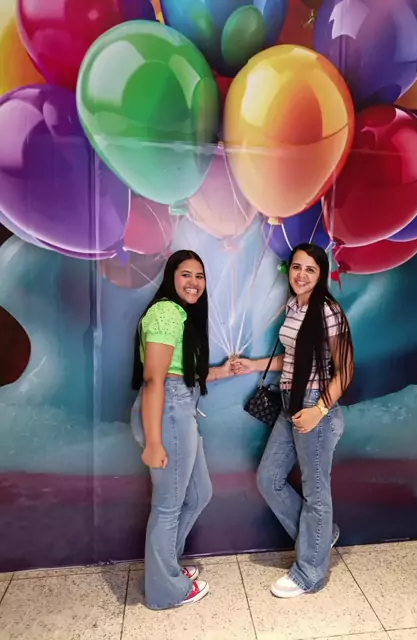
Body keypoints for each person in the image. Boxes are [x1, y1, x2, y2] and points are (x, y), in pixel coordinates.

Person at [232, 243, 354, 599]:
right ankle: (320, 537)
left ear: (321, 274)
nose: (301, 275)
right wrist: (253, 366)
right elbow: (294, 356)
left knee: (316, 492)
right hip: (290, 404)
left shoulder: (329, 311)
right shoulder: (294, 306)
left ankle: (309, 573)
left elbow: (346, 369)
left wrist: (320, 410)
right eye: (297, 267)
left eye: (310, 269)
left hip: (315, 407)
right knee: (269, 479)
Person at [130, 249, 232, 610]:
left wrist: (226, 371)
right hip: (168, 412)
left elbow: (183, 375)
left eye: (199, 276)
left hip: (180, 407)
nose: (194, 282)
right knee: (168, 506)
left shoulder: (180, 315)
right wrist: (153, 442)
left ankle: (165, 570)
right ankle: (165, 591)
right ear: (171, 277)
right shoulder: (166, 312)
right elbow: (155, 380)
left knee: (198, 494)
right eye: (186, 274)